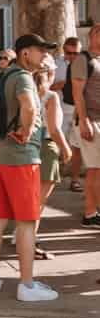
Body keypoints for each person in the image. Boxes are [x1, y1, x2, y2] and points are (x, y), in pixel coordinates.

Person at [0, 33, 59, 301]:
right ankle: (27, 285)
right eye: (41, 51)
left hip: (0, 156)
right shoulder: (24, 78)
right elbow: (28, 106)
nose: (44, 56)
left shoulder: (3, 75)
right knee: (26, 222)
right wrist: (27, 131)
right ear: (26, 53)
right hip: (23, 159)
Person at [33, 58, 72, 260]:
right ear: (50, 74)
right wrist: (66, 149)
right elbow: (55, 129)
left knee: (28, 198)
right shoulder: (51, 96)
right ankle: (30, 242)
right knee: (38, 201)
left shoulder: (25, 93)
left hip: (26, 148)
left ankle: (22, 237)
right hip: (46, 147)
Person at [72, 24, 100, 228]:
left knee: (96, 170)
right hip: (90, 121)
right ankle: (92, 212)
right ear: (92, 35)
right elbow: (77, 92)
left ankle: (90, 213)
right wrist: (83, 121)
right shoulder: (84, 59)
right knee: (96, 169)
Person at [52, 37, 85, 192]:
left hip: (78, 111)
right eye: (68, 52)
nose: (71, 56)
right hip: (59, 111)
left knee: (77, 148)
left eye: (75, 53)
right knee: (54, 146)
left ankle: (75, 180)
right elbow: (43, 87)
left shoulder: (86, 64)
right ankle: (50, 178)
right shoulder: (55, 64)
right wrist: (57, 86)